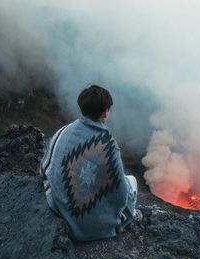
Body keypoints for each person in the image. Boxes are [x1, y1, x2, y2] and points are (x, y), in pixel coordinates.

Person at [39, 85, 138, 241]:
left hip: (61, 209)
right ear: (105, 112)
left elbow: (45, 169)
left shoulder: (63, 132)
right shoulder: (109, 146)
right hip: (92, 226)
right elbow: (120, 195)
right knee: (131, 181)